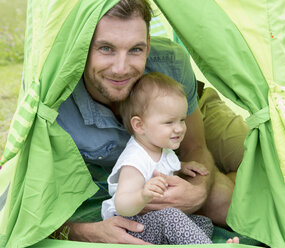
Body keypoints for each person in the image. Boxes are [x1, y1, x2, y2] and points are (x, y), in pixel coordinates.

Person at [56, 0, 248, 244]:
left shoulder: (171, 62)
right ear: (83, 47)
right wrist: (88, 232)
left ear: (147, 46)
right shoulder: (55, 99)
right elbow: (29, 210)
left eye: (135, 49)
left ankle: (234, 178)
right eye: (106, 48)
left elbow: (193, 145)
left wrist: (199, 190)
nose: (121, 68)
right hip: (152, 164)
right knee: (227, 204)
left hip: (189, 116)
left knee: (259, 164)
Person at [100, 72, 238, 244]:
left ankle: (195, 244)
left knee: (203, 222)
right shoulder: (134, 162)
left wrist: (182, 166)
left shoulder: (159, 147)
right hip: (132, 227)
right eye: (169, 122)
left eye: (182, 120)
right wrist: (142, 195)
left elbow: (162, 165)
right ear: (139, 125)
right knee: (172, 217)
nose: (180, 128)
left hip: (156, 222)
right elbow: (122, 204)